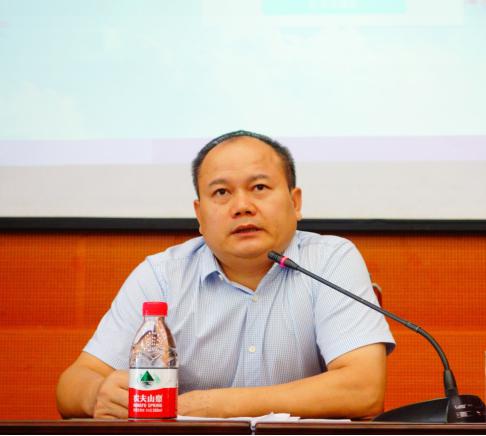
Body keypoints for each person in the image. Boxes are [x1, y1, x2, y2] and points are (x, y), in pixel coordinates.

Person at [56, 130, 395, 419]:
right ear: (199, 215)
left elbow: (362, 389)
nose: (242, 206)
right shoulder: (162, 276)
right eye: (221, 192)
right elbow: (73, 385)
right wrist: (98, 394)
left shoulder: (330, 261)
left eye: (259, 187)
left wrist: (216, 406)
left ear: (295, 202)